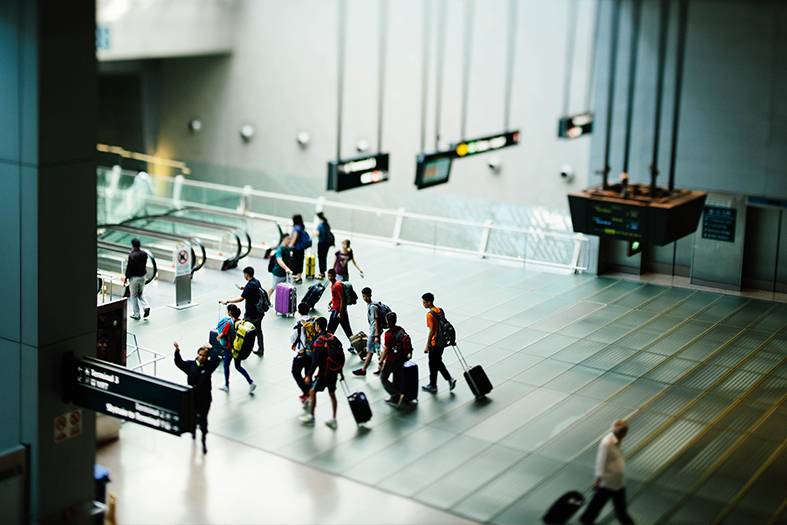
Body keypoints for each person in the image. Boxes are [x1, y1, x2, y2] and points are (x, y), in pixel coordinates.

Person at [580, 420, 634, 525]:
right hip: (608, 482)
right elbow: (601, 462)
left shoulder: (617, 440)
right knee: (617, 510)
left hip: (617, 481)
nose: (625, 434)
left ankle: (586, 519)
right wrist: (598, 480)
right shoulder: (607, 443)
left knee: (601, 506)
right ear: (621, 432)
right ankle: (586, 520)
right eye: (625, 432)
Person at [173, 342, 221, 454]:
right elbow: (179, 363)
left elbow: (217, 360)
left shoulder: (209, 367)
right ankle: (193, 431)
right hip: (193, 398)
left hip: (204, 399)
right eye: (200, 355)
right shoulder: (191, 365)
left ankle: (203, 440)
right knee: (193, 417)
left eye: (204, 355)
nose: (201, 357)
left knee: (203, 420)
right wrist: (177, 352)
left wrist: (212, 349)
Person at [300, 317, 344, 429]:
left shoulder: (319, 342)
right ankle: (334, 419)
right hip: (334, 371)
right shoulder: (332, 338)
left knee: (312, 391)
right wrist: (340, 371)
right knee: (332, 394)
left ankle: (311, 416)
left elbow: (315, 361)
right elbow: (339, 354)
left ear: (318, 326)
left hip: (324, 372)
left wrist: (309, 375)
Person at [221, 266, 267, 356]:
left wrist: (227, 301)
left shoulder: (249, 286)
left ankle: (240, 349)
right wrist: (244, 288)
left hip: (251, 314)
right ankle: (261, 349)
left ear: (246, 274)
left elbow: (241, 299)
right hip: (259, 313)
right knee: (258, 331)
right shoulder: (256, 282)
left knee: (242, 330)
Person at [217, 305, 257, 394]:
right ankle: (251, 382)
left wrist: (218, 337)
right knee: (238, 366)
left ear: (230, 312)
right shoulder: (239, 322)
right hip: (237, 348)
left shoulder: (229, 323)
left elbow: (222, 334)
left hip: (229, 348)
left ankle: (226, 385)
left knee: (226, 365)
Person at [421, 292, 456, 393]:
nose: (423, 304)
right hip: (442, 342)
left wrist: (427, 346)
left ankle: (441, 382)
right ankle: (435, 383)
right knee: (435, 362)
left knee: (434, 363)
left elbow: (431, 331)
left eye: (424, 303)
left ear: (429, 302)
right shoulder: (440, 310)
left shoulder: (429, 315)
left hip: (435, 343)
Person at [379, 311, 410, 408]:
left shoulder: (388, 334)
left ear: (387, 321)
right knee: (397, 378)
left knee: (384, 378)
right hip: (401, 358)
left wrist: (380, 362)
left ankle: (395, 394)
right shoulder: (401, 329)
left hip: (391, 359)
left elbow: (386, 349)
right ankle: (398, 397)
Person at [290, 302, 318, 407]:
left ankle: (306, 392)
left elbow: (292, 339)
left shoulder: (298, 324)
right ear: (308, 310)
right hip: (312, 352)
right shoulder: (314, 321)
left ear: (298, 311)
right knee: (308, 373)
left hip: (301, 352)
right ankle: (309, 392)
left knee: (295, 372)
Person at [352, 287, 384, 376]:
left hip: (374, 334)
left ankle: (363, 369)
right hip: (375, 333)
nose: (365, 298)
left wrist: (377, 336)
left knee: (370, 351)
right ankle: (380, 368)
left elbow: (376, 321)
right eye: (363, 296)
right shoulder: (372, 305)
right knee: (377, 351)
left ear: (370, 295)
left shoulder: (373, 307)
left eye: (367, 296)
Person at [125, 238, 150, 320]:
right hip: (142, 277)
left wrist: (126, 277)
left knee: (134, 295)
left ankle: (136, 314)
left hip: (134, 278)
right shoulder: (144, 254)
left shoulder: (132, 255)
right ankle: (146, 306)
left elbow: (129, 268)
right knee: (141, 292)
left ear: (133, 245)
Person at [326, 269, 353, 344]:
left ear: (335, 276)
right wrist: (330, 303)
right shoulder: (333, 284)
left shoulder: (337, 285)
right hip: (337, 310)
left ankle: (327, 344)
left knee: (331, 329)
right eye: (328, 276)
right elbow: (336, 296)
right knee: (346, 329)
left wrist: (341, 312)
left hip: (338, 311)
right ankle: (353, 344)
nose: (330, 278)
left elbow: (342, 299)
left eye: (331, 276)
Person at [268, 234, 293, 300]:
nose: (289, 240)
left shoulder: (288, 248)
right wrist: (286, 268)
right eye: (288, 239)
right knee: (273, 287)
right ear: (283, 239)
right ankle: (267, 299)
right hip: (278, 273)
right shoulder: (280, 249)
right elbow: (279, 260)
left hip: (285, 273)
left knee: (286, 287)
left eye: (290, 239)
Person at [290, 214, 311, 284]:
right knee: (300, 261)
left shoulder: (296, 228)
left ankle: (297, 277)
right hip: (302, 248)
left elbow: (294, 238)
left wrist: (290, 245)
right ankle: (299, 276)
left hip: (297, 248)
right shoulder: (301, 227)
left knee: (296, 262)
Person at [315, 211, 334, 280]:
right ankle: (323, 271)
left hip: (321, 243)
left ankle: (322, 273)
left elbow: (317, 233)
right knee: (324, 257)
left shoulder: (320, 225)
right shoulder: (327, 223)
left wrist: (313, 232)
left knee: (321, 258)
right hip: (327, 243)